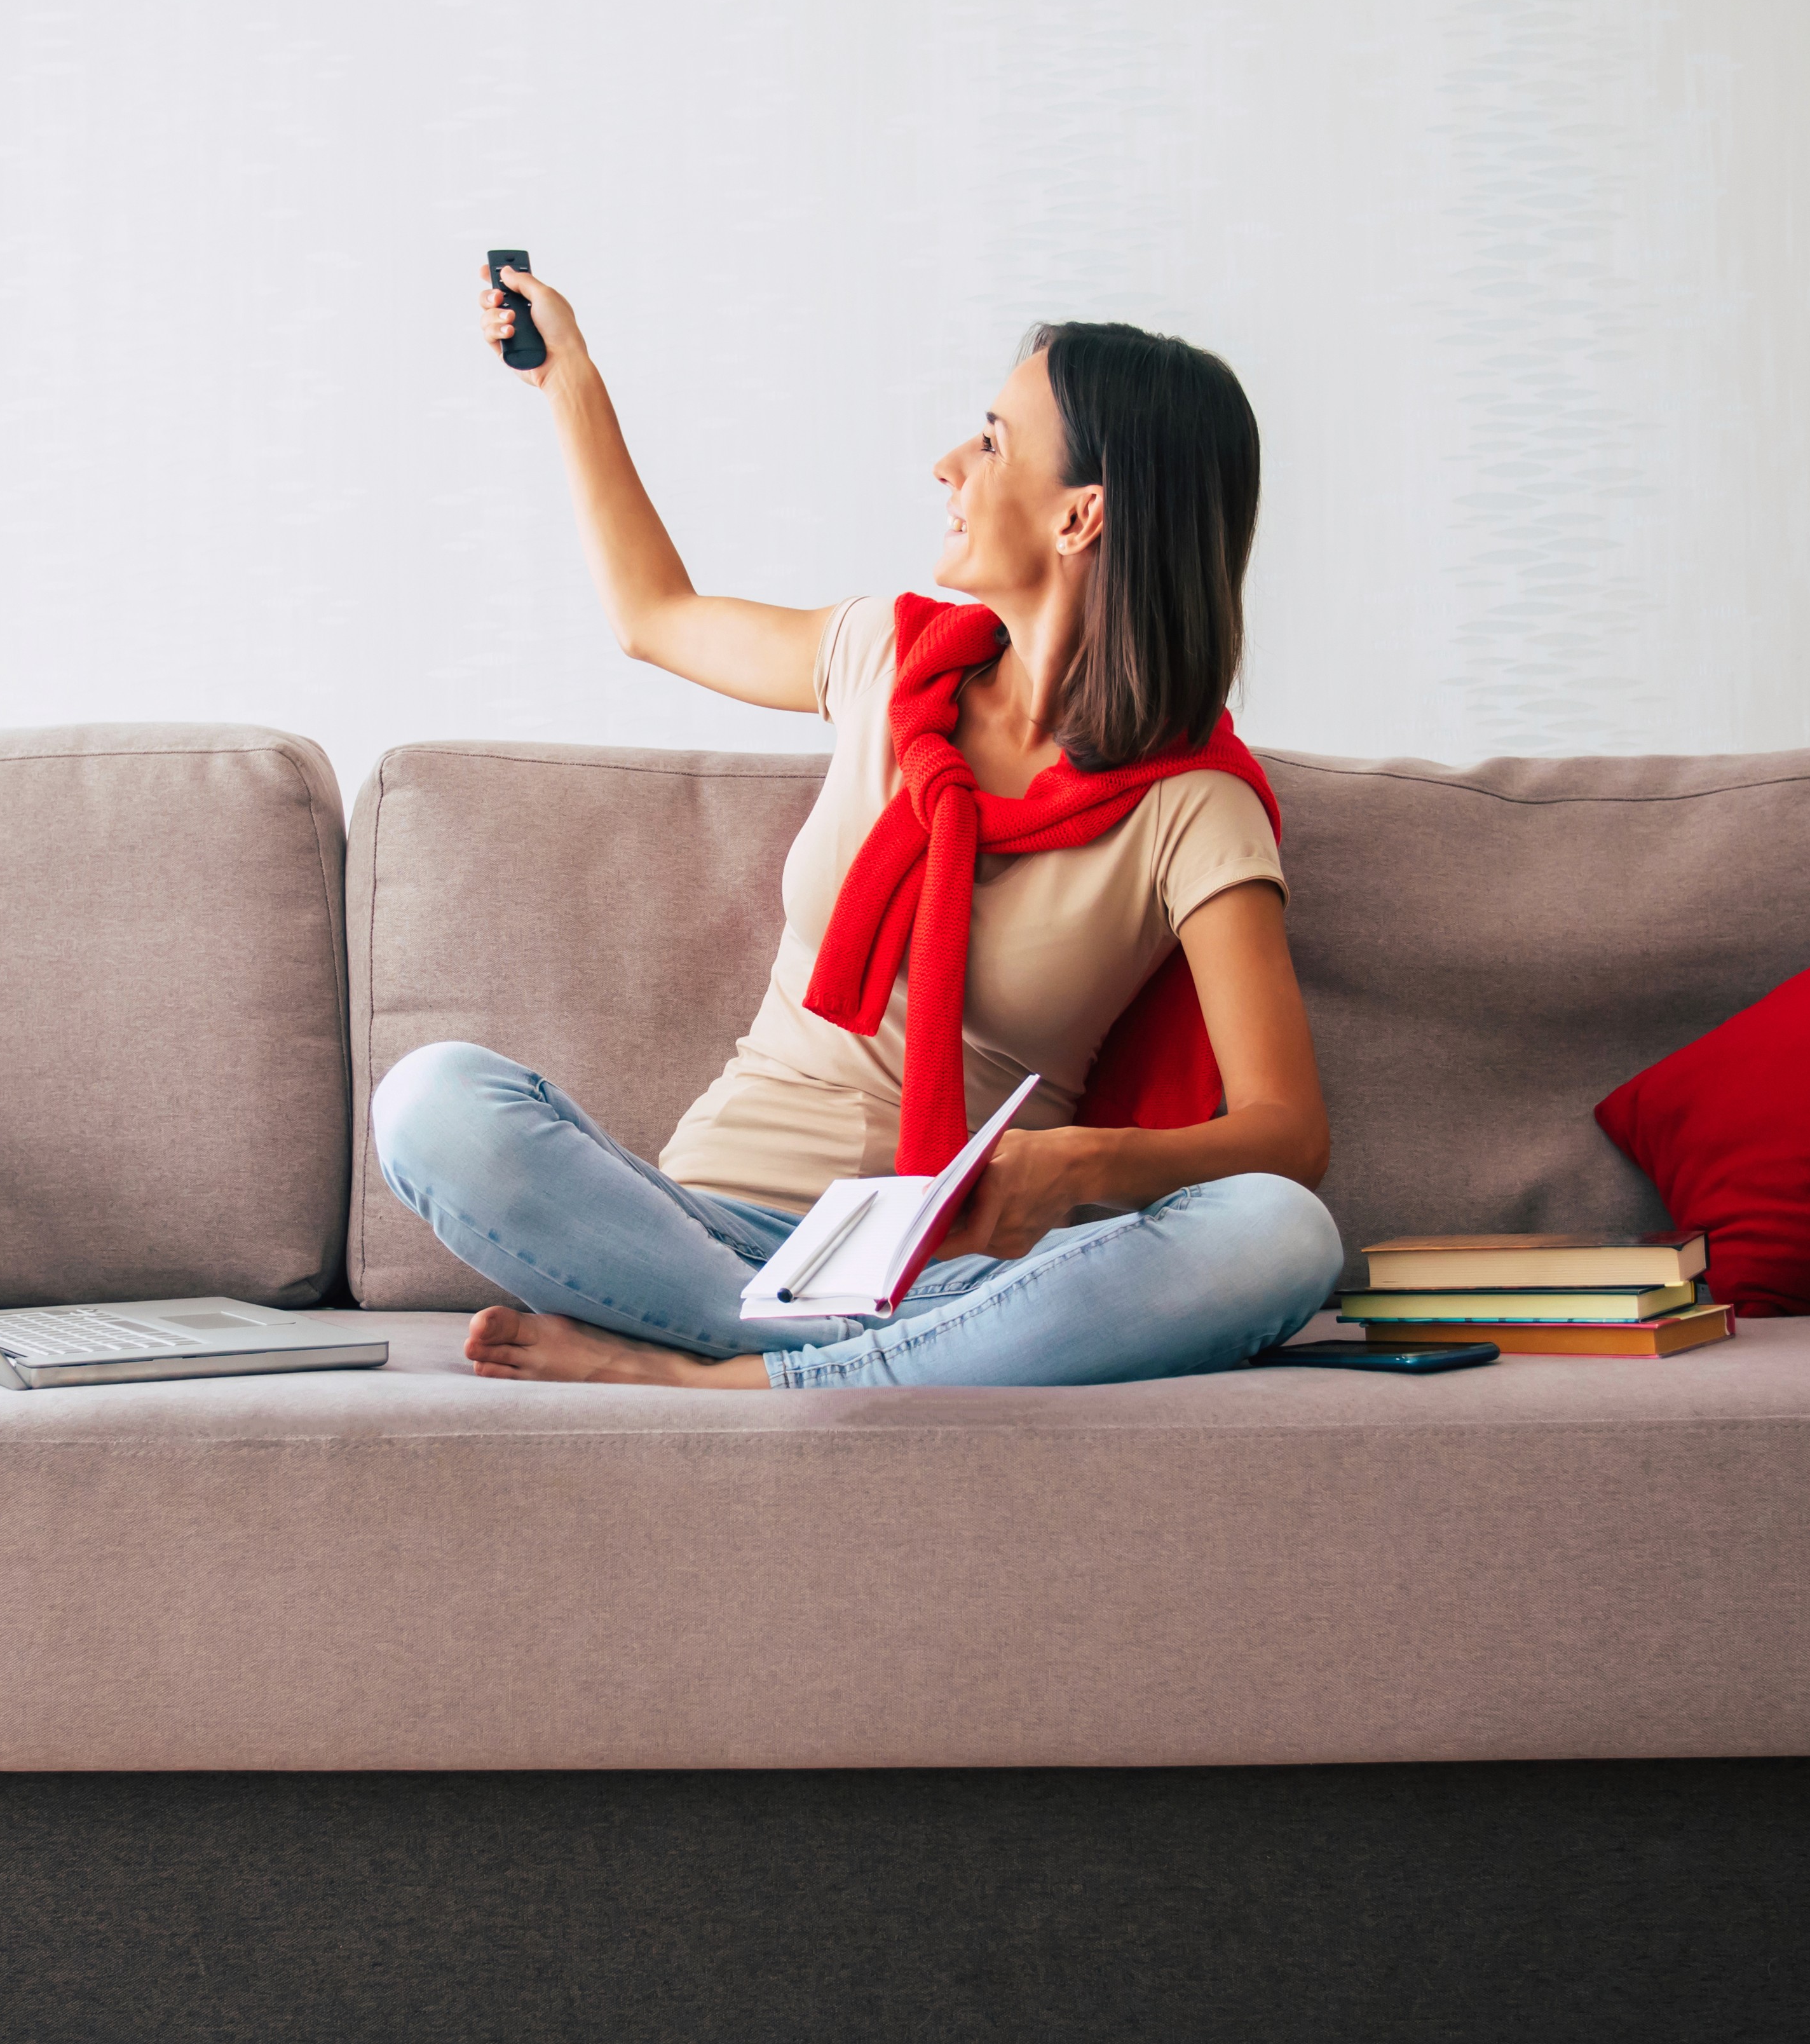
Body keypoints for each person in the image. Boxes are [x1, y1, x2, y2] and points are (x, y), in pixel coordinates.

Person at [371, 264, 1345, 1390]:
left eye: (990, 441)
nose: (948, 464)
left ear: (1082, 515)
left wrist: (1078, 1165)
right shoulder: (887, 657)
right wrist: (569, 382)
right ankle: (838, 1364)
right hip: (700, 1237)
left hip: (953, 1272)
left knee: (1282, 1236)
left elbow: (1289, 1138)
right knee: (433, 1098)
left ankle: (723, 1375)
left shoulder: (1193, 809)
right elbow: (655, 616)